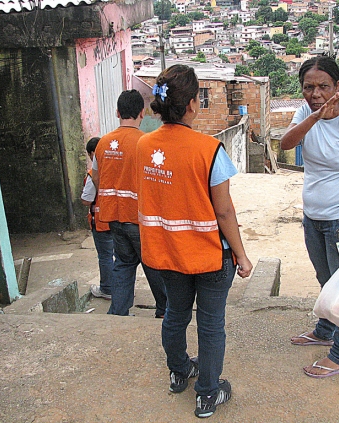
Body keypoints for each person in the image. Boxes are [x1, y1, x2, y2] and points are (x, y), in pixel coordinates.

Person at [136, 65, 253, 418]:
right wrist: (243, 256)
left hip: (166, 254)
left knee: (175, 314)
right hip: (209, 257)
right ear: (191, 105)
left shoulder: (144, 146)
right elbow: (224, 213)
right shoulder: (209, 149)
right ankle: (207, 394)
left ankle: (178, 372)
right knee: (211, 323)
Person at [280, 55, 339, 378]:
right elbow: (285, 143)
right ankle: (324, 330)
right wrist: (316, 117)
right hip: (314, 218)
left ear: (338, 87)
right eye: (308, 87)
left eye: (323, 86)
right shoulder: (305, 114)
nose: (315, 93)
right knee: (326, 280)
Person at [92, 90, 167, 318]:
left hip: (112, 215)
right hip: (138, 217)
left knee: (123, 264)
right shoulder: (145, 143)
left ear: (117, 112)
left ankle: (118, 312)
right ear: (141, 113)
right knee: (152, 264)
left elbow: (96, 177)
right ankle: (165, 310)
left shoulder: (102, 143)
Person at [81, 137, 115, 300]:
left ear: (91, 154)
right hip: (118, 220)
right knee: (122, 259)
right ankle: (122, 289)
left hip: (101, 222)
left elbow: (87, 199)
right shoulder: (115, 169)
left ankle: (107, 289)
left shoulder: (92, 175)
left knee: (105, 256)